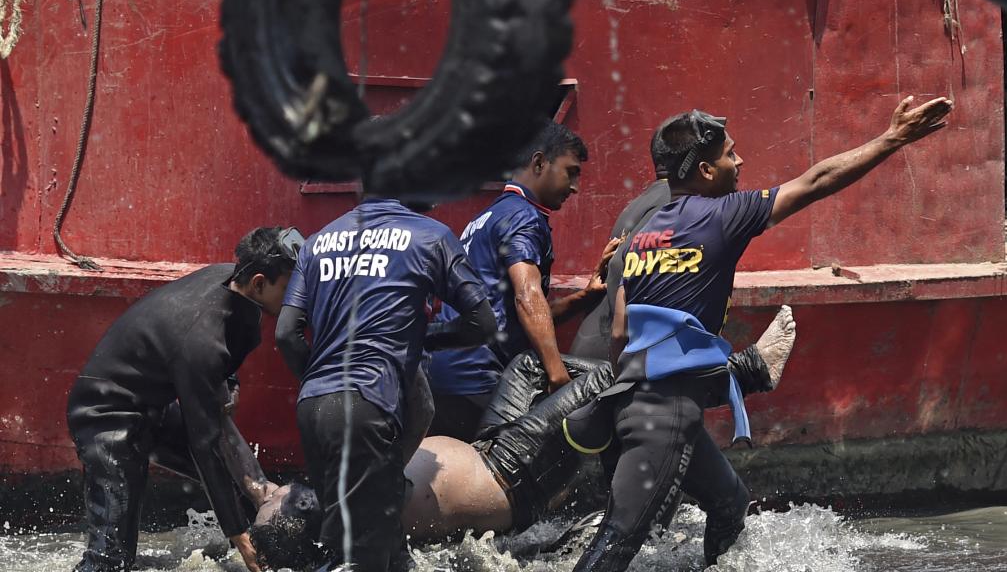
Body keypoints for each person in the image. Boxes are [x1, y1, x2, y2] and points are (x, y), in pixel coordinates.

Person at [574, 98, 953, 571]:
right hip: (664, 415)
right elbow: (815, 182)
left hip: (639, 403)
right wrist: (892, 139)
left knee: (730, 504)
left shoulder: (640, 237)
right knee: (616, 543)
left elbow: (619, 332)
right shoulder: (723, 215)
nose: (740, 161)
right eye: (730, 154)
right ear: (706, 171)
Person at [248, 306, 796, 571]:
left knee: (533, 365)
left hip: (489, 448)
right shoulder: (363, 503)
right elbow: (415, 416)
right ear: (307, 507)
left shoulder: (340, 506)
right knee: (609, 382)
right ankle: (741, 373)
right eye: (275, 496)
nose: (270, 487)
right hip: (513, 475)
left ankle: (632, 430)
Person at [274, 194, 499, 572]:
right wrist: (420, 338)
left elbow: (285, 334)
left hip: (314, 409)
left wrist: (326, 384)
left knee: (388, 555)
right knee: (359, 561)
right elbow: (482, 322)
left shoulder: (317, 243)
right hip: (368, 406)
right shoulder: (431, 237)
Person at [66, 226, 304, 572]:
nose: (298, 296)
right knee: (109, 562)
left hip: (154, 405)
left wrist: (230, 383)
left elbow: (224, 356)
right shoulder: (201, 341)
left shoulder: (233, 282)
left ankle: (243, 556)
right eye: (289, 287)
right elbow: (204, 444)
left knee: (244, 491)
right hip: (105, 413)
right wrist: (238, 534)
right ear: (258, 283)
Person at [427, 122, 619, 441]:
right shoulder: (523, 217)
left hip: (442, 378)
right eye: (570, 172)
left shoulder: (487, 217)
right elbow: (527, 296)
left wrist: (584, 296)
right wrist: (558, 376)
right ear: (539, 163)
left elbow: (519, 313)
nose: (574, 187)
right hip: (480, 378)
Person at [569, 127, 673, 361]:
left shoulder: (645, 200)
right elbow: (623, 275)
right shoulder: (670, 205)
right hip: (609, 358)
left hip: (593, 346)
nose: (738, 161)